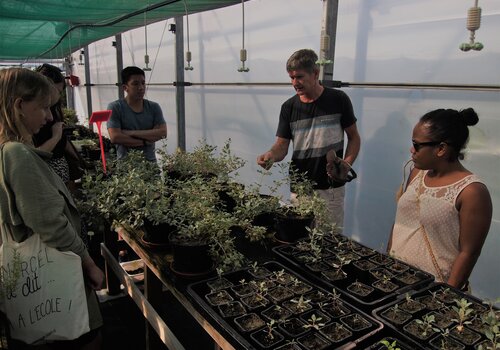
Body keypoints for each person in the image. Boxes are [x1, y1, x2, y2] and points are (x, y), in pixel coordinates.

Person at [0, 68, 104, 349]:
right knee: (82, 338)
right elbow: (50, 224)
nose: (49, 116)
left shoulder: (10, 149)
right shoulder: (16, 153)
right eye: (43, 107)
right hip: (55, 273)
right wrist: (89, 263)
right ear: (20, 106)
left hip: (38, 276)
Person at [387, 108, 492, 290]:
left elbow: (469, 252)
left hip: (431, 288)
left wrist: (445, 296)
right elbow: (400, 223)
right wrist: (387, 260)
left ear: (441, 148)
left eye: (417, 145)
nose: (412, 150)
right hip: (394, 276)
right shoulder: (417, 173)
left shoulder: (471, 191)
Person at [257, 49, 361, 227]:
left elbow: (354, 137)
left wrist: (346, 163)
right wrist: (270, 156)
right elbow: (282, 145)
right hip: (300, 189)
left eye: (299, 77)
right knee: (301, 241)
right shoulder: (289, 107)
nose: (295, 83)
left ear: (315, 73)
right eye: (291, 77)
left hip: (330, 189)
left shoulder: (338, 100)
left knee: (329, 241)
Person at [32, 63, 84, 192]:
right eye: (58, 92)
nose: (48, 117)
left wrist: (80, 160)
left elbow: (63, 140)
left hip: (61, 169)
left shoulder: (53, 111)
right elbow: (34, 157)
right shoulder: (32, 123)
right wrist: (55, 136)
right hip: (47, 174)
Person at [106, 66, 167, 161]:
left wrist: (129, 132)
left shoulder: (154, 107)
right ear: (125, 88)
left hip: (150, 166)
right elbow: (115, 137)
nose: (141, 88)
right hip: (127, 168)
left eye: (143, 83)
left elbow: (162, 133)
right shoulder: (116, 107)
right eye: (135, 84)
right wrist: (146, 141)